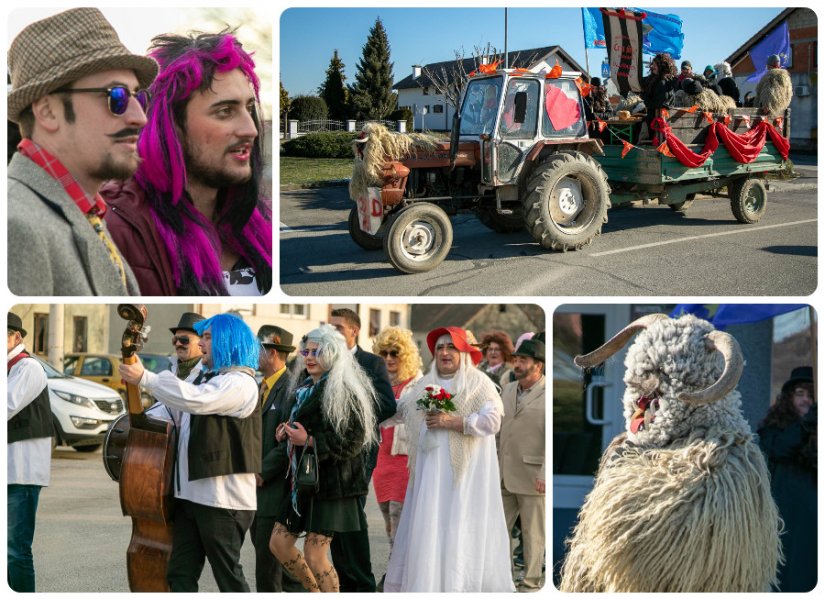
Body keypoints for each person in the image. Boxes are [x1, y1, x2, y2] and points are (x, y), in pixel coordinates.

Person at [102, 31, 272, 296]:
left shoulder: (260, 219)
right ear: (169, 126)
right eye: (225, 111)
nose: (250, 129)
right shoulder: (117, 230)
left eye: (248, 108)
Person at [7, 8, 155, 295]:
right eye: (117, 96)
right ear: (48, 112)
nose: (140, 117)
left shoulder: (85, 212)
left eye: (137, 96)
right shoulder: (16, 225)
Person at [119, 313, 261, 591]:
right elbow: (175, 412)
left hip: (222, 502)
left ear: (225, 341)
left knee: (229, 579)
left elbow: (196, 400)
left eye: (208, 337)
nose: (203, 344)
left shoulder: (239, 383)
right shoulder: (214, 379)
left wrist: (146, 378)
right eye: (204, 337)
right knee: (180, 576)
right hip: (191, 499)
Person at [384, 327, 515, 592]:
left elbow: (492, 421)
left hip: (464, 478)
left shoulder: (480, 384)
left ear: (464, 352)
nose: (444, 352)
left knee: (460, 529)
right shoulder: (423, 385)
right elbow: (398, 412)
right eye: (440, 347)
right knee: (429, 528)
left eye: (451, 347)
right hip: (430, 477)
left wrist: (454, 422)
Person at [268, 324, 377, 592]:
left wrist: (310, 441)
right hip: (303, 483)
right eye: (306, 351)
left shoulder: (345, 390)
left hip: (333, 485)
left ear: (333, 354)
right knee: (279, 545)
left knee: (315, 555)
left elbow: (352, 442)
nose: (309, 357)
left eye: (317, 352)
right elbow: (307, 427)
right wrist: (287, 432)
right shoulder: (305, 387)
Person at [327, 308, 396, 592]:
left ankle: (362, 583)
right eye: (330, 328)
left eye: (338, 328)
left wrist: (354, 423)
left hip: (358, 451)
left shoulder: (371, 363)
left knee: (351, 511)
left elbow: (387, 404)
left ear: (354, 331)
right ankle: (344, 581)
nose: (333, 333)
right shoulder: (325, 360)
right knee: (334, 514)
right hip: (328, 450)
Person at [370, 326, 424, 589]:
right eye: (384, 353)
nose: (389, 358)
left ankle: (395, 576)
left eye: (395, 353)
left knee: (400, 522)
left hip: (405, 461)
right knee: (389, 524)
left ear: (407, 356)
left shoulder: (418, 383)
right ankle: (397, 573)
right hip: (382, 462)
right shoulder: (376, 382)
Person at [253, 325, 304, 592]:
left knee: (268, 568)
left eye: (257, 349)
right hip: (253, 489)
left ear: (272, 353)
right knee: (276, 567)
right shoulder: (257, 386)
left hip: (273, 488)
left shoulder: (290, 389)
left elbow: (289, 443)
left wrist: (262, 471)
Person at [757, 366, 817, 592]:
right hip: (784, 522)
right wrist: (807, 424)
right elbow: (778, 449)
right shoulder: (774, 428)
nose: (805, 400)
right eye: (799, 394)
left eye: (811, 394)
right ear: (788, 398)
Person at [7, 313, 54, 592]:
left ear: (16, 337)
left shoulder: (28, 368)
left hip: (21, 474)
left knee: (15, 550)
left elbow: (7, 405)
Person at [499, 339, 546, 592]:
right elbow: (498, 431)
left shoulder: (548, 393)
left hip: (533, 475)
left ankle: (531, 582)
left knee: (533, 534)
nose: (516, 363)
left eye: (523, 360)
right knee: (499, 529)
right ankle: (505, 578)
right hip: (503, 473)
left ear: (538, 366)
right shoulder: (507, 390)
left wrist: (544, 474)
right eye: (515, 359)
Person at [640, 53, 678, 135]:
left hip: (657, 123)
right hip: (656, 119)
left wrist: (643, 96)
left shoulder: (663, 83)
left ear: (661, 66)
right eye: (652, 64)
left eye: (655, 65)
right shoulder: (654, 79)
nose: (652, 66)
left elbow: (658, 104)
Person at [169, 312, 205, 380]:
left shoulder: (209, 374)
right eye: (175, 339)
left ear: (201, 343)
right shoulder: (169, 367)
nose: (178, 344)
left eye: (184, 339)